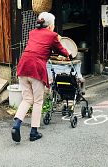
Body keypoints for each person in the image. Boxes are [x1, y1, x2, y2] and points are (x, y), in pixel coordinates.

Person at [11, 12, 71, 142]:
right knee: (38, 101)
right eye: (53, 25)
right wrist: (68, 54)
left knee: (27, 99)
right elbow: (60, 49)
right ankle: (34, 132)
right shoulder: (52, 35)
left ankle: (16, 125)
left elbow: (38, 46)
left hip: (23, 65)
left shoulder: (32, 32)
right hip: (36, 68)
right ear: (50, 26)